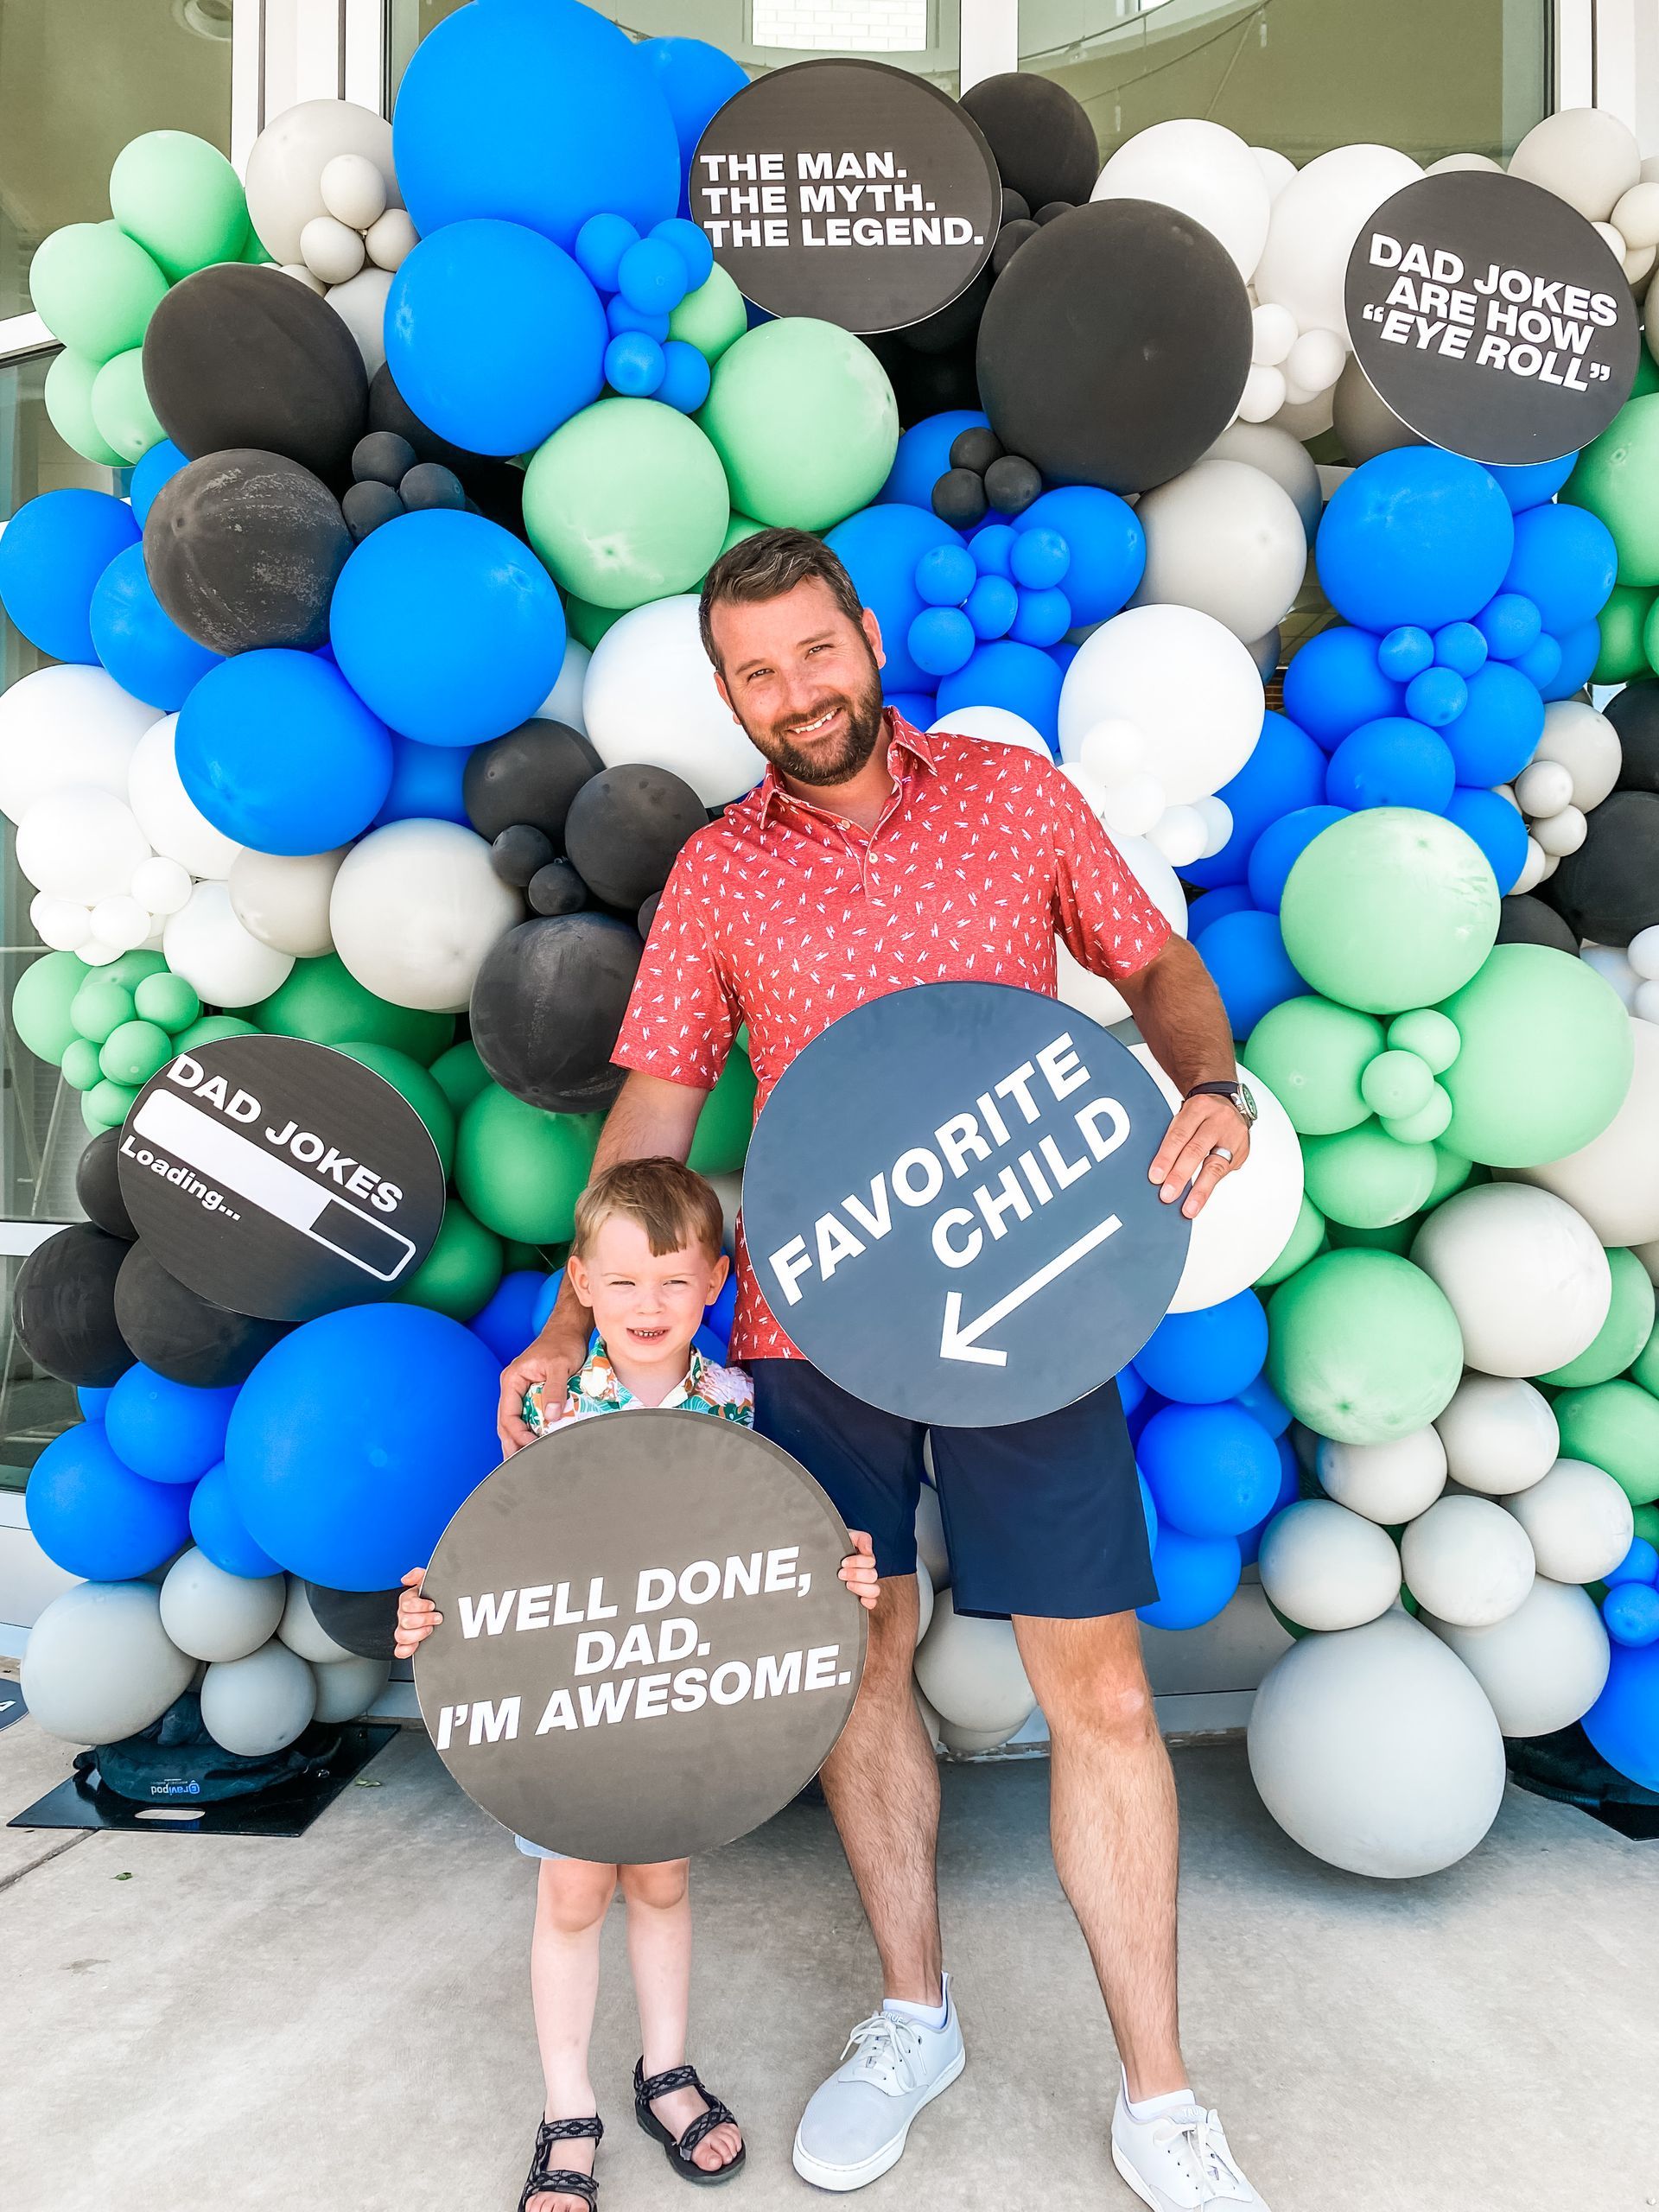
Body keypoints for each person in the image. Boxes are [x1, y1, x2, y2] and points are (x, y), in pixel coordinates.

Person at [499, 531, 1270, 2212]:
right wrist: (578, 1308)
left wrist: (1210, 1077)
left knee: (1108, 1697)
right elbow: (655, 1105)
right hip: (805, 1329)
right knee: (862, 1661)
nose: (797, 694)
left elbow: (1152, 959)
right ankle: (912, 2012)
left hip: (1029, 1311)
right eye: (757, 673)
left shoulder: (1009, 794)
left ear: (864, 635)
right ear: (729, 693)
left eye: (813, 651)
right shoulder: (715, 871)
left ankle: (1161, 2092)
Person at [398, 1156, 881, 2212]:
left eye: (672, 1280)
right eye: (620, 1283)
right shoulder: (551, 1406)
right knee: (573, 1889)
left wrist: (836, 1566)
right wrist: (434, 1612)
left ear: (716, 1281)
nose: (648, 1305)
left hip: (678, 1699)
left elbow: (775, 1551)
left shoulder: (739, 1408)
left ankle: (664, 2070)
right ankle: (566, 2107)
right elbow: (502, 1558)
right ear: (579, 1283)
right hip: (571, 1706)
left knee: (661, 1878)